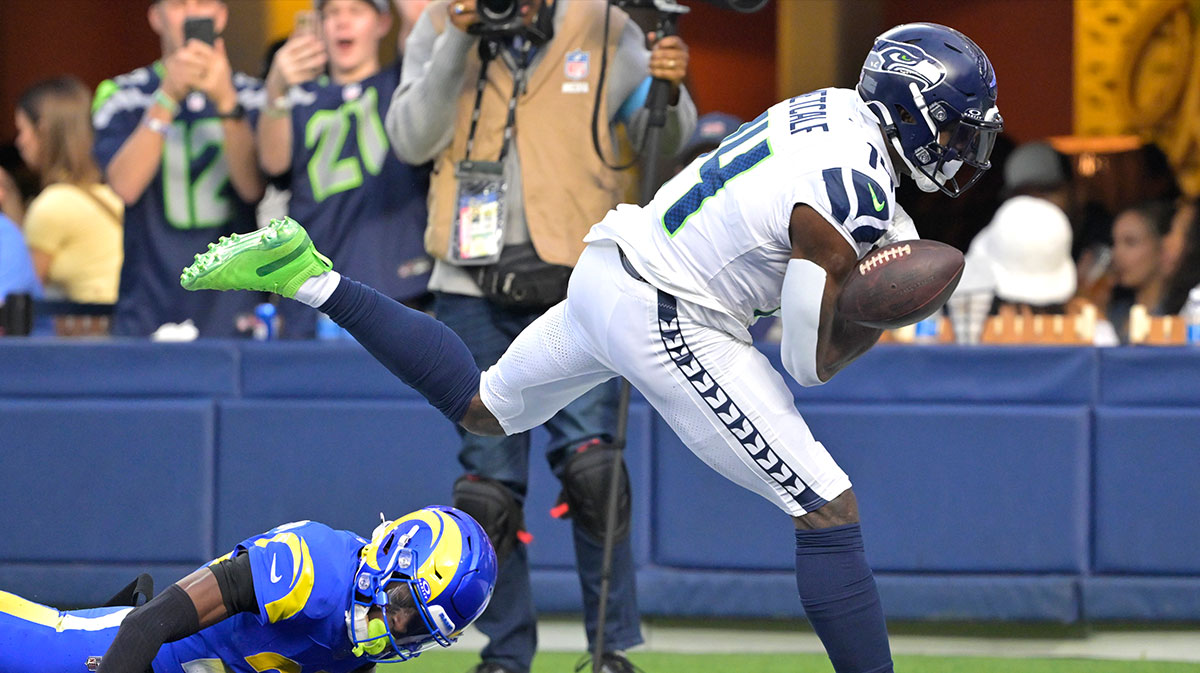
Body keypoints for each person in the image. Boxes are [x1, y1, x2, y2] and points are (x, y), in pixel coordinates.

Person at [182, 22, 1003, 673]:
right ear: (919, 115)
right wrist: (872, 310)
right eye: (961, 129)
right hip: (671, 309)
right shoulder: (851, 194)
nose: (969, 149)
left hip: (613, 259)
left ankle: (308, 276)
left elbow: (856, 223)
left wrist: (881, 267)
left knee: (486, 404)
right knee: (827, 505)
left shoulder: (831, 108)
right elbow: (804, 361)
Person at [385, 2, 696, 671]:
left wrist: (671, 82)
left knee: (595, 471)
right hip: (471, 284)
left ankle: (610, 649)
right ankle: (505, 653)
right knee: (486, 492)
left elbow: (662, 135)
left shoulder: (608, 24)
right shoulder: (443, 22)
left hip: (580, 286)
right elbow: (410, 139)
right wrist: (457, 43)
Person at [0, 506, 497, 673]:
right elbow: (148, 625)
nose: (400, 628)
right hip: (118, 655)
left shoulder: (360, 645)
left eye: (420, 633)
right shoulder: (313, 571)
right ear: (390, 554)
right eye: (406, 605)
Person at [259, 0, 432, 338]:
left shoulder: (402, 83)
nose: (343, 22)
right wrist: (275, 89)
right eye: (332, 13)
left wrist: (413, 16)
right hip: (310, 293)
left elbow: (421, 34)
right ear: (318, 25)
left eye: (356, 11)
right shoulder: (299, 96)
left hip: (396, 288)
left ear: (382, 23)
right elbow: (272, 164)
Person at [92, 0, 265, 337]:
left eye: (203, 4)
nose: (191, 15)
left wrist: (227, 103)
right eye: (179, 4)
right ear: (156, 17)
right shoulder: (121, 95)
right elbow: (125, 186)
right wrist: (168, 96)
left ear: (221, 16)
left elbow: (253, 188)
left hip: (234, 305)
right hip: (150, 303)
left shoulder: (253, 96)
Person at [16, 76, 123, 305]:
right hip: (127, 326)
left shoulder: (54, 204)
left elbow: (23, 290)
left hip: (92, 334)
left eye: (22, 130)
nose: (19, 141)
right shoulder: (113, 193)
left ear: (42, 130)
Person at [1106, 200, 1175, 342]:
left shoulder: (1180, 317)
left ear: (1163, 248)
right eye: (1114, 243)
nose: (1117, 253)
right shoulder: (1116, 314)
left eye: (1130, 242)